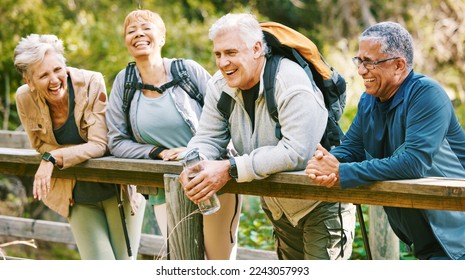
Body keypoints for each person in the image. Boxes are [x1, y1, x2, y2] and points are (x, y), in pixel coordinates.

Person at [180, 13, 356, 260]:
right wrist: (195, 161)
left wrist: (229, 169)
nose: (222, 63)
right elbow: (208, 137)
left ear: (256, 49)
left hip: (322, 203)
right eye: (217, 54)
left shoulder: (290, 81)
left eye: (231, 53)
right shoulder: (219, 85)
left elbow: (297, 153)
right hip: (279, 208)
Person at [305, 21, 465, 260]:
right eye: (359, 61)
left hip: (457, 238)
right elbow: (353, 148)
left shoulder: (427, 95)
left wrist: (342, 171)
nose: (360, 70)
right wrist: (325, 162)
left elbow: (413, 163)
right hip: (429, 239)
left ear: (399, 65)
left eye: (369, 62)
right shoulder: (369, 101)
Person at [106, 10, 242, 260]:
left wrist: (195, 150)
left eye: (146, 27)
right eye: (130, 30)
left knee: (219, 264)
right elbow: (116, 141)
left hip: (212, 180)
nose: (138, 34)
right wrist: (157, 152)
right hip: (165, 188)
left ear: (162, 37)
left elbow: (228, 114)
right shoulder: (123, 82)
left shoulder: (187, 71)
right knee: (182, 261)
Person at [13, 34, 146, 260]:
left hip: (117, 190)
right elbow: (38, 144)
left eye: (57, 69)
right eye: (44, 75)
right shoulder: (24, 98)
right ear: (29, 81)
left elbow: (99, 144)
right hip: (75, 195)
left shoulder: (91, 82)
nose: (54, 79)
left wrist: (53, 158)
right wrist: (59, 155)